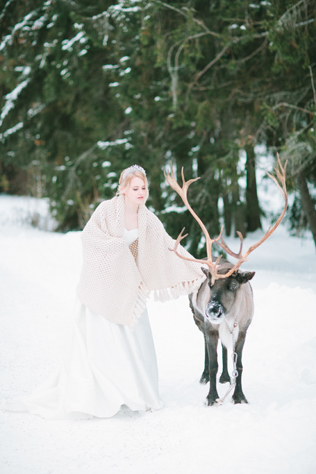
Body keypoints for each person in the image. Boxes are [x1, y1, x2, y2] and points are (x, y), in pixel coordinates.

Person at [4, 165, 205, 419]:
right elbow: (89, 239)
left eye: (144, 188)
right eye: (135, 188)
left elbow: (168, 246)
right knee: (102, 347)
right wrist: (118, 250)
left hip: (131, 292)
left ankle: (135, 393)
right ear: (123, 189)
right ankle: (102, 392)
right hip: (103, 288)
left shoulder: (148, 219)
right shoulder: (106, 211)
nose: (141, 192)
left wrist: (198, 267)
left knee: (136, 343)